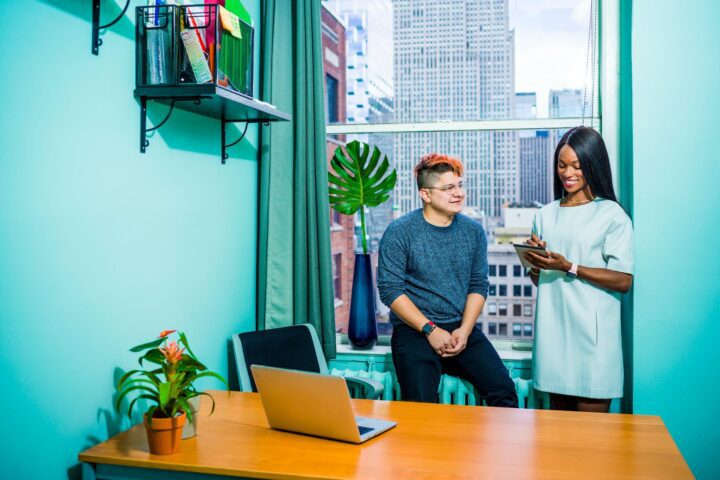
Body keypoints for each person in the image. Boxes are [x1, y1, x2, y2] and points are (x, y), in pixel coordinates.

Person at [377, 153, 518, 407]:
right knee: (422, 407)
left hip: (459, 328)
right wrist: (430, 329)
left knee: (504, 391)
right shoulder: (400, 232)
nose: (459, 193)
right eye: (448, 187)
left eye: (459, 185)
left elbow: (478, 284)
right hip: (415, 330)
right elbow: (390, 291)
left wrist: (464, 330)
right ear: (426, 194)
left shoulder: (473, 231)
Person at [524, 126, 634, 413]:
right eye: (562, 165)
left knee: (594, 444)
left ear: (593, 165)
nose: (567, 172)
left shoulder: (612, 215)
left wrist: (569, 266)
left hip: (592, 340)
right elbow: (540, 280)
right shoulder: (544, 215)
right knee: (560, 440)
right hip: (553, 334)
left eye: (577, 165)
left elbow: (623, 281)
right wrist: (535, 261)